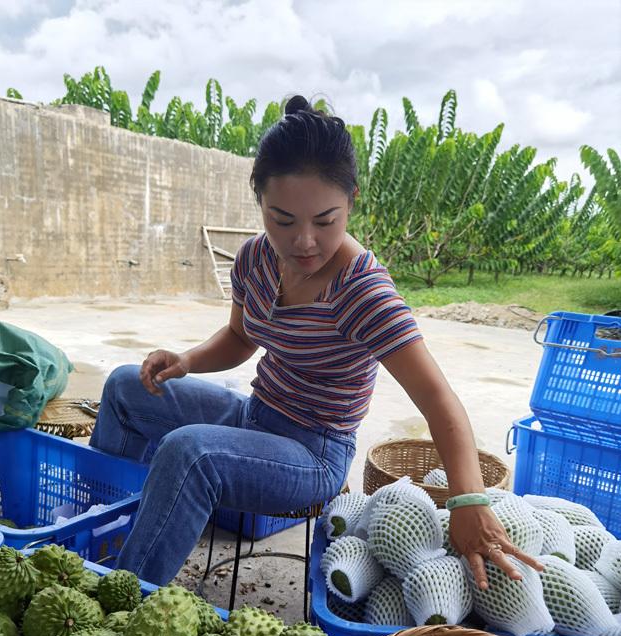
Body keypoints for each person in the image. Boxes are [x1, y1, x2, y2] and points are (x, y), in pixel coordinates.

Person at [90, 94, 542, 589]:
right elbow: (241, 338)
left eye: (325, 221)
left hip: (313, 454)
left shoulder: (362, 291)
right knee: (124, 387)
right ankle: (98, 531)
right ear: (260, 202)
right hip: (255, 418)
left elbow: (439, 401)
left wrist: (468, 501)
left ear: (351, 202)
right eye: (282, 220)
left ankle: (122, 596)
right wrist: (187, 360)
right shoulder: (254, 261)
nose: (303, 241)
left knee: (189, 453)